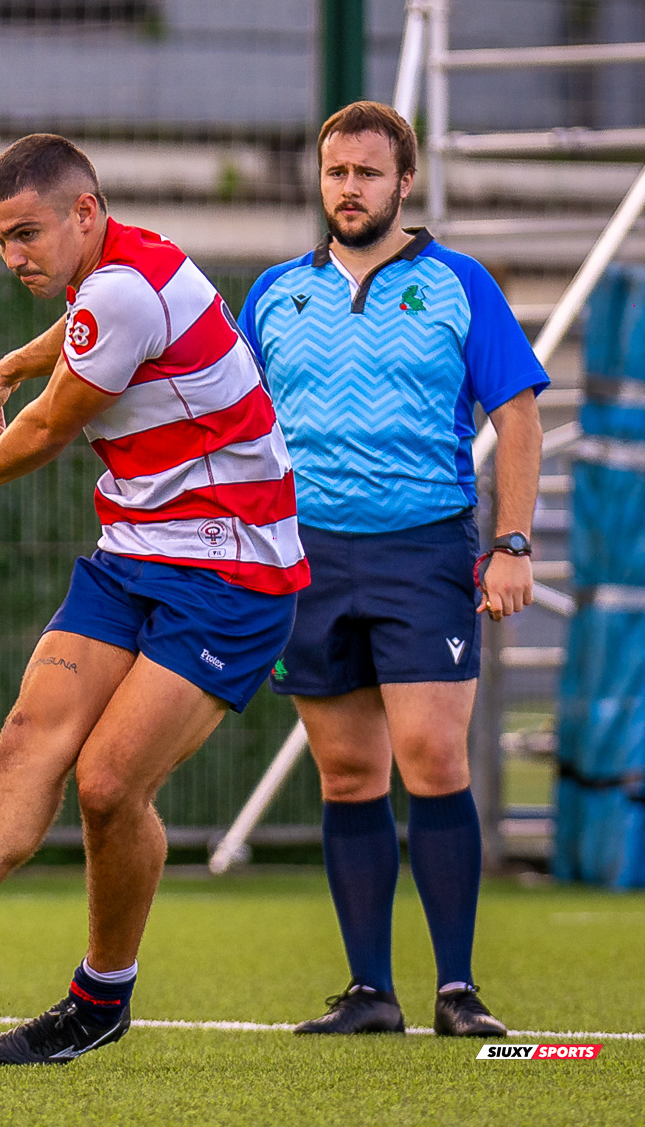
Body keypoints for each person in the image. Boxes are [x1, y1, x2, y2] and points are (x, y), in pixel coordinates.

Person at [0, 133, 309, 1065]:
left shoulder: (125, 287)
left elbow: (46, 430)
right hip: (134, 554)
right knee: (27, 735)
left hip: (234, 573)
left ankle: (100, 997)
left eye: (25, 233)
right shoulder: (121, 266)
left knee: (109, 783)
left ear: (85, 211)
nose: (12, 257)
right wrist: (9, 362)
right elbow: (75, 327)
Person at [238, 101, 547, 1039]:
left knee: (434, 759)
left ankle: (458, 992)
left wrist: (512, 542)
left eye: (368, 173)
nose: (349, 188)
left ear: (403, 182)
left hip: (425, 548)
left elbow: (520, 416)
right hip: (308, 558)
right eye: (336, 172)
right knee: (345, 774)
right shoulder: (274, 294)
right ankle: (370, 991)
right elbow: (234, 426)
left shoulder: (458, 283)